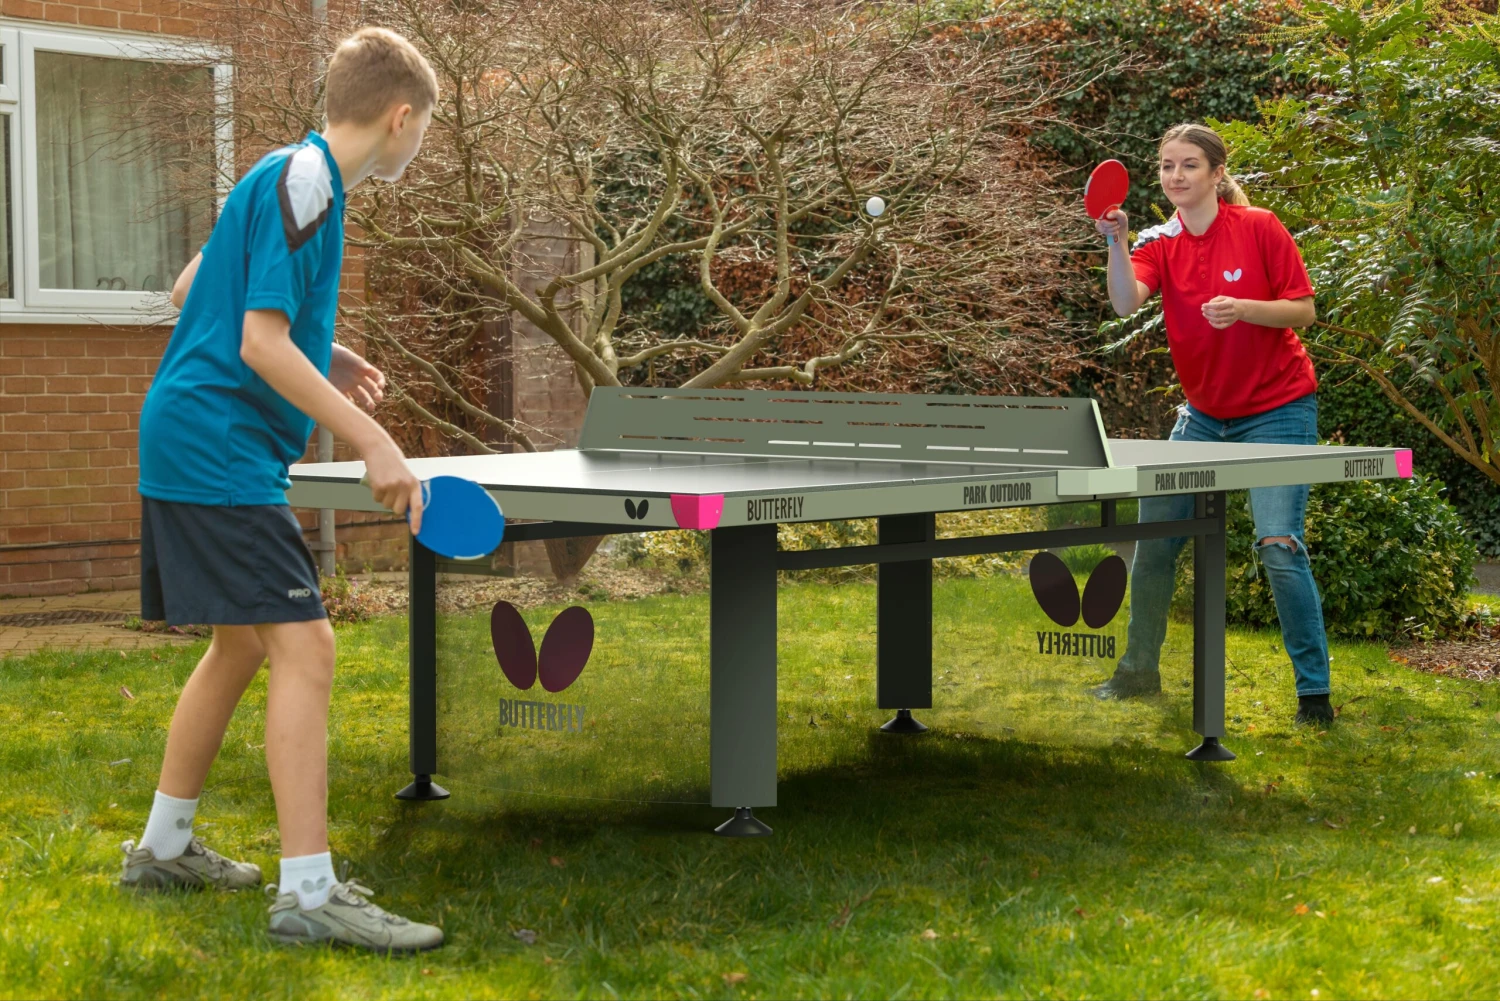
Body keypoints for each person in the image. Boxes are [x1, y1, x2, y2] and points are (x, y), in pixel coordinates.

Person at [118, 27, 444, 952]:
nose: (418, 145)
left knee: (239, 646)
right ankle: (309, 894)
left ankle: (163, 846)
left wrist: (321, 341)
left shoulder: (280, 169)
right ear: (400, 115)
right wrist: (375, 441)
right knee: (307, 647)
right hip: (217, 445)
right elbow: (256, 343)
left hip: (191, 436)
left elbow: (195, 287)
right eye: (423, 131)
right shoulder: (312, 188)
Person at [1091, 122, 1335, 727]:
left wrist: (1244, 309)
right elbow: (1125, 302)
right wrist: (1117, 244)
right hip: (1202, 418)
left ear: (1217, 173)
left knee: (1278, 547)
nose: (1176, 176)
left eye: (1190, 165)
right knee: (1154, 545)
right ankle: (1138, 672)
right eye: (1168, 165)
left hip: (1278, 410)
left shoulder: (1259, 228)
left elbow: (1303, 308)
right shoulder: (1159, 241)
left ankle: (1314, 695)